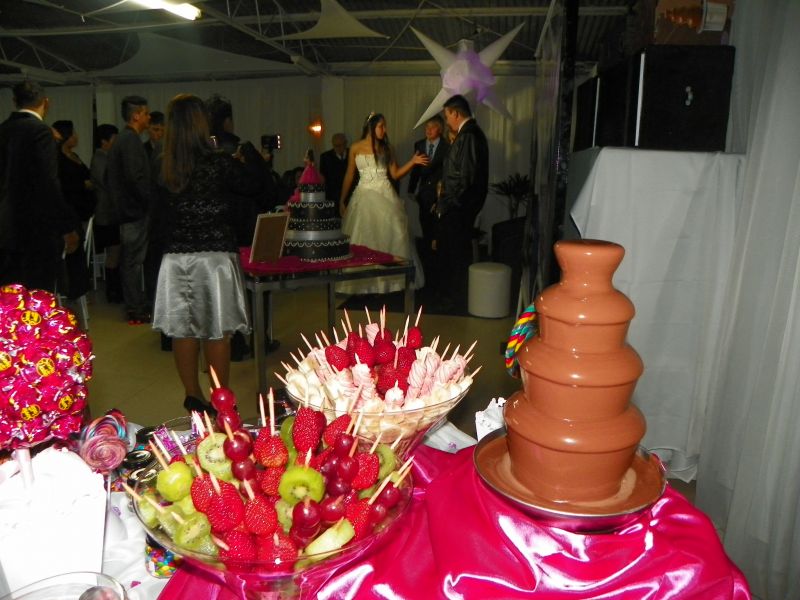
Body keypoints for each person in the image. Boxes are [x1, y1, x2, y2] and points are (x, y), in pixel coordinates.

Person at [153, 93, 258, 415]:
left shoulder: (164, 166)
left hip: (176, 258)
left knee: (183, 331)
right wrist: (247, 157)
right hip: (214, 258)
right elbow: (256, 187)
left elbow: (157, 215)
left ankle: (192, 395)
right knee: (217, 333)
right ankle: (220, 399)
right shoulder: (219, 162)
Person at [0, 81, 80, 292]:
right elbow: (48, 183)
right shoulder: (41, 131)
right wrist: (66, 226)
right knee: (37, 294)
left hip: (5, 229)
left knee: (9, 295)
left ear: (15, 102)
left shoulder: (3, 130)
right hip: (36, 229)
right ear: (46, 102)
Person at [338, 112, 428, 295]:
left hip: (385, 193)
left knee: (391, 234)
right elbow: (349, 174)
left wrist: (412, 162)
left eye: (385, 126)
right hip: (363, 195)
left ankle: (390, 282)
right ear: (371, 127)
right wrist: (342, 199)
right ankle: (364, 283)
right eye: (381, 126)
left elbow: (395, 174)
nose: (384, 130)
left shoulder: (387, 148)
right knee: (363, 236)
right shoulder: (355, 147)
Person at [437, 94, 489, 312]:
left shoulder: (468, 136)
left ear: (456, 114)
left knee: (456, 257)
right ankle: (456, 299)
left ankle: (455, 302)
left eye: (447, 115)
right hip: (461, 207)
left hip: (458, 209)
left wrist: (448, 204)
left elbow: (466, 177)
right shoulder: (471, 134)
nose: (446, 120)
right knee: (456, 255)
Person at [106, 95, 154, 324]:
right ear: (136, 116)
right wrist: (149, 201)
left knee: (131, 261)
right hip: (134, 212)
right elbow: (136, 178)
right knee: (132, 262)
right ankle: (135, 307)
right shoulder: (130, 140)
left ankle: (136, 305)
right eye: (146, 113)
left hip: (129, 210)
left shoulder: (124, 139)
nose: (148, 118)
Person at [52, 119, 93, 300]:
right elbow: (64, 185)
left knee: (78, 250)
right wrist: (82, 184)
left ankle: (78, 288)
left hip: (81, 209)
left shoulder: (74, 156)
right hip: (70, 209)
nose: (76, 136)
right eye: (73, 133)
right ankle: (70, 288)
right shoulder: (58, 159)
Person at [408, 115, 449, 291]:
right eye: (426, 127)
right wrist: (411, 189)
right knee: (426, 229)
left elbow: (447, 171)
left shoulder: (447, 146)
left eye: (432, 127)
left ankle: (439, 269)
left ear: (440, 129)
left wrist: (442, 196)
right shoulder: (419, 145)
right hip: (424, 194)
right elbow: (416, 170)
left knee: (438, 232)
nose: (428, 130)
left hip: (440, 193)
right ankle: (428, 268)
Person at [90, 123, 122, 303]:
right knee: (113, 252)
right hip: (106, 213)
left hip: (110, 212)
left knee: (115, 251)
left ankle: (115, 289)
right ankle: (112, 290)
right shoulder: (100, 158)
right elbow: (107, 182)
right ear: (104, 141)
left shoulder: (105, 157)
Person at [319, 132, 349, 203]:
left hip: (350, 193)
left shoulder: (352, 153)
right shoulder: (325, 157)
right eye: (336, 145)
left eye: (340, 145)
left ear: (345, 143)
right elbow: (323, 176)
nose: (338, 148)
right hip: (333, 195)